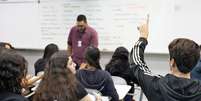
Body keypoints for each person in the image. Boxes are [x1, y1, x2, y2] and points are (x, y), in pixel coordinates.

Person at [129, 15, 201, 101]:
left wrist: (143, 37)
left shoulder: (156, 85)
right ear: (195, 63)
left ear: (172, 62)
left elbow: (136, 62)